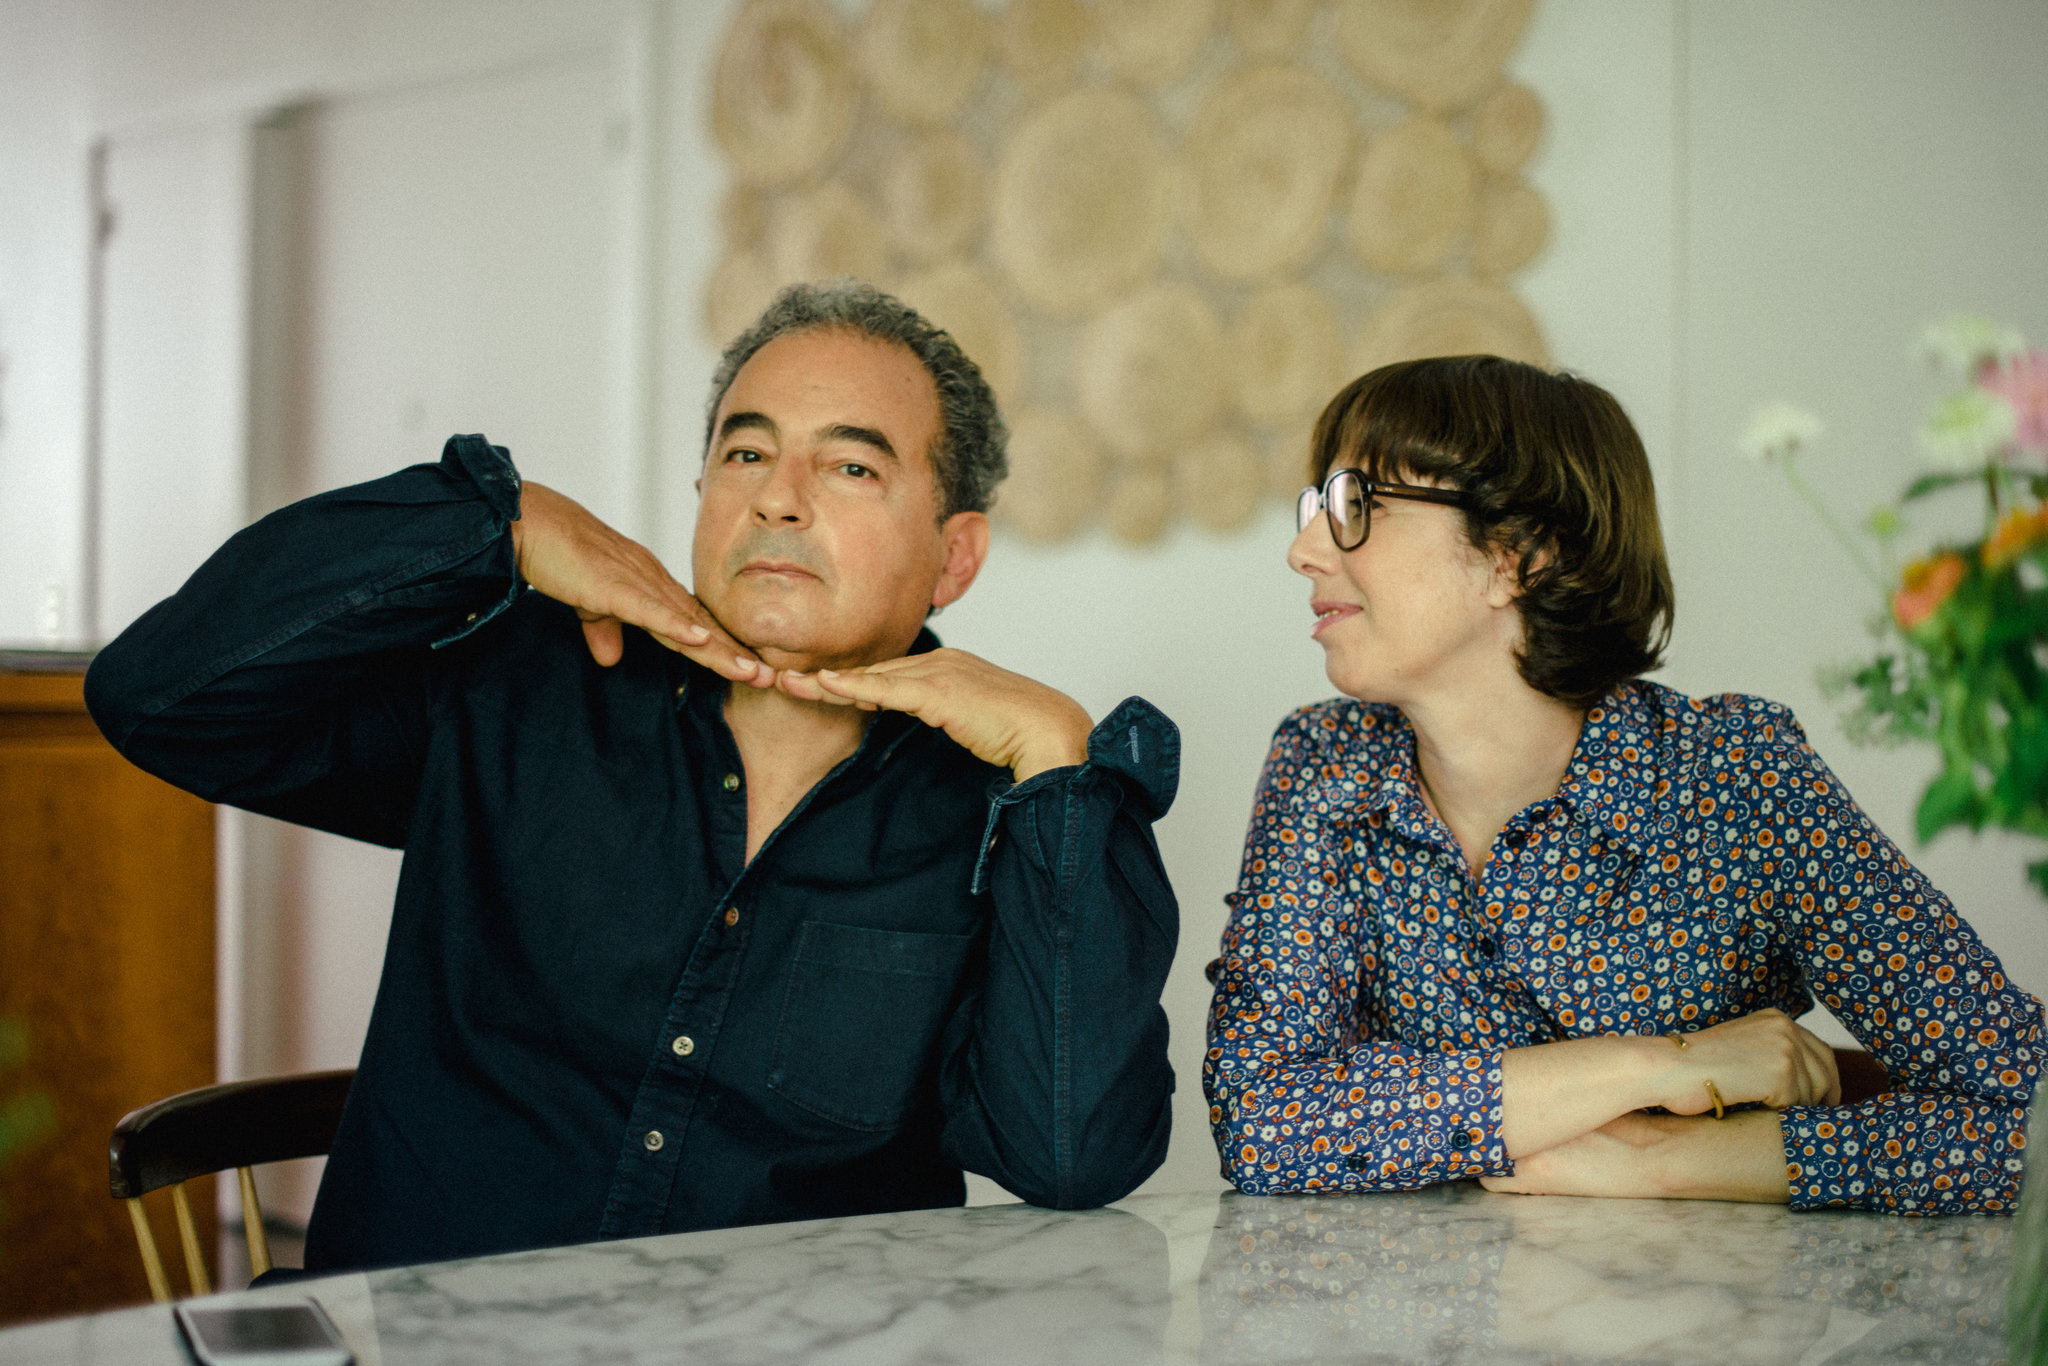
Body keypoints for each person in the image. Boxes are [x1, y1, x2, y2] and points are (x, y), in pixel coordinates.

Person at [87, 280, 1179, 1271]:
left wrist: (1056, 755)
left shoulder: (999, 812)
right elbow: (157, 698)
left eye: (850, 467)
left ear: (955, 555)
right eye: (745, 455)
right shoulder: (516, 687)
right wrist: (497, 522)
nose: (778, 499)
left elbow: (1069, 1158)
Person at [1205, 354, 2042, 1213]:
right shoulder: (1323, 764)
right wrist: (1665, 1065)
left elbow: (2027, 1112)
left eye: (1358, 506)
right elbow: (1262, 1117)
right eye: (1318, 508)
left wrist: (1675, 1160)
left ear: (1520, 555)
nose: (1304, 551)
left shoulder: (1736, 775)